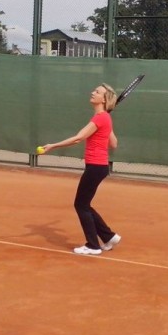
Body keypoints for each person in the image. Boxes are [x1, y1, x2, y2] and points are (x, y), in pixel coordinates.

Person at [38, 83, 123, 256]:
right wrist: (107, 125)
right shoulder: (105, 118)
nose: (92, 92)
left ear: (104, 99)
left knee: (81, 205)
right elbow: (114, 143)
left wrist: (52, 146)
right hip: (99, 167)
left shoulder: (100, 118)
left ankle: (93, 246)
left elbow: (78, 138)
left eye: (97, 92)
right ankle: (109, 237)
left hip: (95, 167)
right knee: (84, 204)